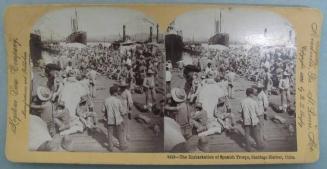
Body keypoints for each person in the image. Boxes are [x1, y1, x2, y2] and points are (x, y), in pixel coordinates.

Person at [102, 86, 128, 151]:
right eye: (117, 91)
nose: (118, 93)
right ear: (114, 93)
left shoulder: (106, 100)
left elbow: (102, 110)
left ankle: (110, 147)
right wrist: (126, 111)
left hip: (110, 120)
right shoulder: (118, 100)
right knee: (120, 133)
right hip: (118, 120)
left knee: (110, 133)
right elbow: (122, 111)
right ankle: (122, 146)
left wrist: (107, 111)